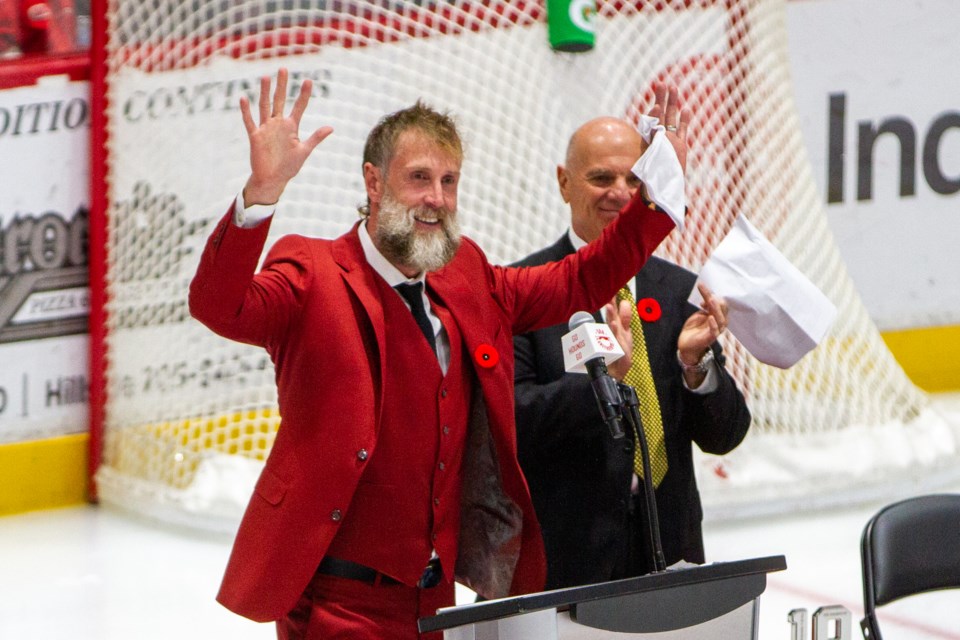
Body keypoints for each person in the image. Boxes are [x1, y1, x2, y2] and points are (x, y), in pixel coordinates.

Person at [188, 68, 683, 639]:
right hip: (334, 604)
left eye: (449, 181)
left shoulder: (466, 274)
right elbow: (218, 306)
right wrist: (261, 195)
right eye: (419, 178)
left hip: (438, 606)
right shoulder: (311, 271)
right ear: (374, 182)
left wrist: (657, 195)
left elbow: (580, 280)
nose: (436, 199)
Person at [512, 114, 751, 590]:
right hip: (565, 562)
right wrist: (603, 387)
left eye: (633, 179)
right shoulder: (525, 292)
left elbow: (725, 435)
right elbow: (512, 421)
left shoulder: (678, 290)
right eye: (601, 177)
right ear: (564, 182)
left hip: (670, 551)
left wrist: (694, 365)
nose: (619, 192)